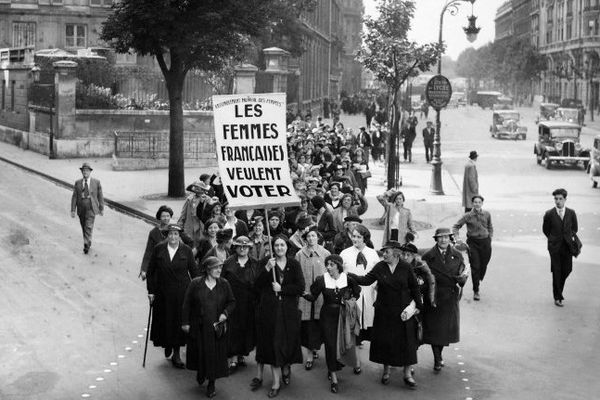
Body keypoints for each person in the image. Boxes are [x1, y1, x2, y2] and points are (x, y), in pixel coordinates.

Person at [349, 241, 422, 388]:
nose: (384, 254)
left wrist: (418, 307)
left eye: (386, 252)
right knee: (386, 342)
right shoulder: (380, 266)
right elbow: (365, 280)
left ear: (396, 253)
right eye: (383, 252)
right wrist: (349, 275)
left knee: (407, 343)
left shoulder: (406, 267)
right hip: (384, 311)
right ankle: (386, 371)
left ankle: (407, 374)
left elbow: (414, 288)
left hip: (403, 312)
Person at [252, 235, 304, 398]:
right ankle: (275, 382)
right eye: (276, 245)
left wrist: (282, 288)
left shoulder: (294, 264)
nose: (279, 248)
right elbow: (257, 286)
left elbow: (300, 287)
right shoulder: (267, 263)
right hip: (270, 310)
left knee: (287, 341)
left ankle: (286, 366)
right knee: (274, 343)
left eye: (282, 245)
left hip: (288, 310)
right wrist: (267, 269)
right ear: (272, 247)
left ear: (287, 247)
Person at [304, 254, 361, 393]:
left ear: (339, 266)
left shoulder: (347, 279)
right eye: (327, 265)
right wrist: (300, 292)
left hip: (343, 316)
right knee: (330, 345)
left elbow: (357, 292)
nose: (328, 267)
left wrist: (351, 300)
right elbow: (312, 297)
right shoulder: (321, 279)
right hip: (327, 316)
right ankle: (334, 377)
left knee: (342, 343)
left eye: (331, 265)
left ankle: (335, 366)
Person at [146, 223, 200, 369]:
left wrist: (198, 291)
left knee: (177, 322)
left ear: (180, 236)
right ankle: (167, 344)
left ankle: (176, 353)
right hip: (162, 292)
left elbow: (194, 273)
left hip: (181, 293)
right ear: (166, 235)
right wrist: (151, 292)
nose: (173, 237)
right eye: (170, 234)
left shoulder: (186, 251)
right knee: (164, 321)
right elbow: (150, 272)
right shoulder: (159, 249)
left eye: (176, 234)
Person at [182, 257, 236, 398]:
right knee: (200, 353)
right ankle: (201, 372)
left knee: (214, 356)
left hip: (216, 329)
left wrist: (225, 313)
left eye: (220, 267)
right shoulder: (195, 284)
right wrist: (185, 323)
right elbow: (186, 304)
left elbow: (232, 302)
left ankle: (211, 383)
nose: (219, 270)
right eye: (215, 267)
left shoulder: (224, 284)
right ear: (207, 269)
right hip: (199, 327)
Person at [421, 228, 467, 372]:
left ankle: (439, 355)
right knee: (435, 330)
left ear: (450, 239)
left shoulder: (457, 255)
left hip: (450, 297)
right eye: (440, 237)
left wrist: (462, 280)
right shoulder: (428, 256)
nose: (443, 240)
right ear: (436, 239)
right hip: (434, 296)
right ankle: (437, 358)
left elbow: (463, 274)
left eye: (446, 237)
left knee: (445, 330)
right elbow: (421, 277)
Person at [339, 224, 379, 373]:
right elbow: (341, 274)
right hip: (351, 295)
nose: (355, 239)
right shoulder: (345, 253)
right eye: (353, 236)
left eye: (358, 237)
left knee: (365, 325)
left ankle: (362, 354)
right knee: (353, 326)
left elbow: (376, 275)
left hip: (368, 294)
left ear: (365, 238)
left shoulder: (372, 254)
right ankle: (355, 362)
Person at [221, 236, 260, 371]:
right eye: (239, 246)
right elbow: (222, 283)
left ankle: (242, 354)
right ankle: (233, 359)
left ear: (249, 248)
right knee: (233, 330)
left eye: (245, 246)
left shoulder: (255, 263)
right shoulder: (228, 263)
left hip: (249, 303)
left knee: (247, 328)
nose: (242, 249)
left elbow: (260, 283)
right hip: (233, 302)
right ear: (235, 247)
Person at [295, 227, 330, 371]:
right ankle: (309, 354)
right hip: (305, 295)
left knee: (320, 322)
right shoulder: (299, 254)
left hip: (322, 296)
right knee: (308, 325)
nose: (311, 239)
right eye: (308, 236)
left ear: (318, 237)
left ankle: (316, 348)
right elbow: (297, 275)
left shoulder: (325, 253)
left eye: (313, 236)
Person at [542, 188, 579, 307]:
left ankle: (558, 292)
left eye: (560, 199)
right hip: (554, 247)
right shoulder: (549, 214)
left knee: (567, 269)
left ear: (565, 199)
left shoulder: (571, 213)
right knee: (556, 271)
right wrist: (553, 239)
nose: (558, 201)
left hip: (567, 246)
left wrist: (567, 237)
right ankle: (557, 297)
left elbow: (575, 228)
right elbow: (546, 230)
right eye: (556, 199)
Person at [452, 195, 493, 301]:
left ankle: (478, 276)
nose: (477, 204)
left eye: (479, 202)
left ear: (482, 203)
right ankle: (476, 290)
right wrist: (457, 238)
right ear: (472, 203)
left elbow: (490, 226)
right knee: (475, 267)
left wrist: (490, 237)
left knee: (484, 264)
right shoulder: (467, 216)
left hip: (485, 242)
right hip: (473, 243)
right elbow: (456, 226)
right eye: (475, 202)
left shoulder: (487, 214)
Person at [139, 205, 194, 280]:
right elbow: (148, 252)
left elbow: (190, 242)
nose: (166, 218)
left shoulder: (175, 229)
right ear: (159, 217)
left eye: (168, 216)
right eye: (163, 216)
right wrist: (144, 269)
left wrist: (184, 254)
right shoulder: (154, 233)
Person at [70, 162, 104, 254]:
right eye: (83, 170)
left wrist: (101, 208)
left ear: (90, 172)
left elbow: (100, 196)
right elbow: (74, 197)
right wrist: (73, 210)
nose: (85, 172)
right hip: (81, 208)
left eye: (87, 170)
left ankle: (86, 243)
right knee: (83, 226)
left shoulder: (96, 182)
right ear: (81, 172)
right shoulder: (78, 183)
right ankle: (88, 241)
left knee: (88, 226)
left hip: (91, 207)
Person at [178, 181, 208, 247]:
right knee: (189, 246)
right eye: (195, 186)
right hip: (189, 226)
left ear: (202, 189)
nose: (195, 188)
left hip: (201, 227)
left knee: (201, 246)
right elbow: (183, 213)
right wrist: (179, 225)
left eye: (198, 187)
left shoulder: (207, 199)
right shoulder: (189, 199)